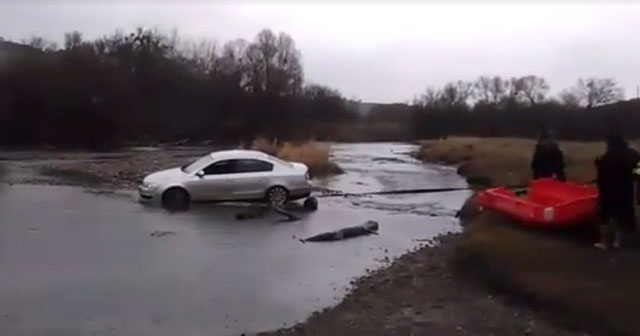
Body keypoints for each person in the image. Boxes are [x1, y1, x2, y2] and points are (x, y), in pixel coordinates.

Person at [593, 133, 640, 249]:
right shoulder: (635, 154)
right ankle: (617, 242)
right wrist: (633, 177)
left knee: (604, 216)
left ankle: (604, 242)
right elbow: (638, 171)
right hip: (626, 188)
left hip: (609, 189)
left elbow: (601, 176)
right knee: (622, 215)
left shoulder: (607, 156)